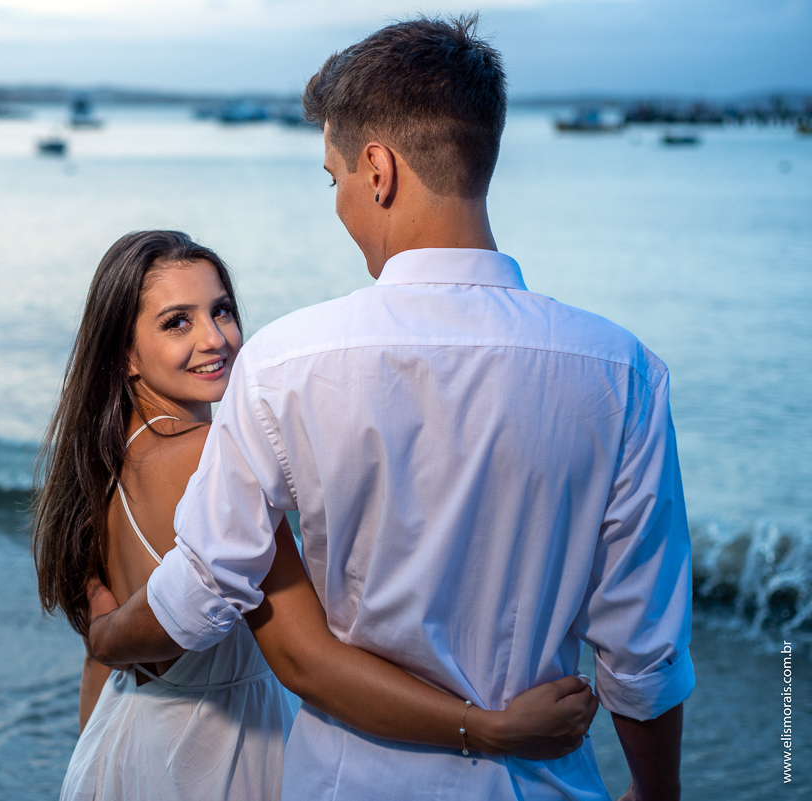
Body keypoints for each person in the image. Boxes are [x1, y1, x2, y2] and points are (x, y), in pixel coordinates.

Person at [86, 16, 695, 801]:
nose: (340, 203)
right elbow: (641, 650)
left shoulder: (284, 364)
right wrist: (656, 792)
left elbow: (205, 584)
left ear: (378, 170)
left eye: (333, 176)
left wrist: (106, 635)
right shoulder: (625, 372)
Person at [33, 230, 598, 800]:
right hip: (218, 761)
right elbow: (304, 660)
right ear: (125, 354)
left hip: (124, 746)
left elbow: (99, 665)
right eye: (177, 321)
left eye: (222, 310)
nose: (216, 338)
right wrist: (488, 730)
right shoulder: (207, 456)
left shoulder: (98, 465)